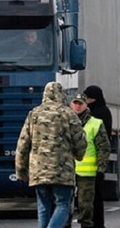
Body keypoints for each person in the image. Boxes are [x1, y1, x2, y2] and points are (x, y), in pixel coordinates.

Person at [15, 82, 87, 228]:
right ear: (62, 95)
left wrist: (21, 170)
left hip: (39, 171)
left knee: (43, 206)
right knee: (62, 204)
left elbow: (23, 144)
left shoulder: (34, 114)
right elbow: (80, 141)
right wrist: (79, 155)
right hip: (62, 171)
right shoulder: (68, 114)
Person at [70, 93, 110, 228]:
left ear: (86, 105)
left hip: (87, 173)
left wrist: (101, 168)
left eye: (80, 103)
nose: (77, 106)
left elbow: (103, 148)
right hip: (67, 172)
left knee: (85, 206)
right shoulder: (65, 122)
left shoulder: (95, 124)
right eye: (75, 103)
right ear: (71, 104)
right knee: (65, 206)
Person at [83, 85, 112, 228]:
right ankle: (99, 224)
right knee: (96, 197)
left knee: (92, 199)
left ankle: (96, 224)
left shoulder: (95, 115)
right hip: (96, 163)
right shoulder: (105, 111)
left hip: (92, 164)